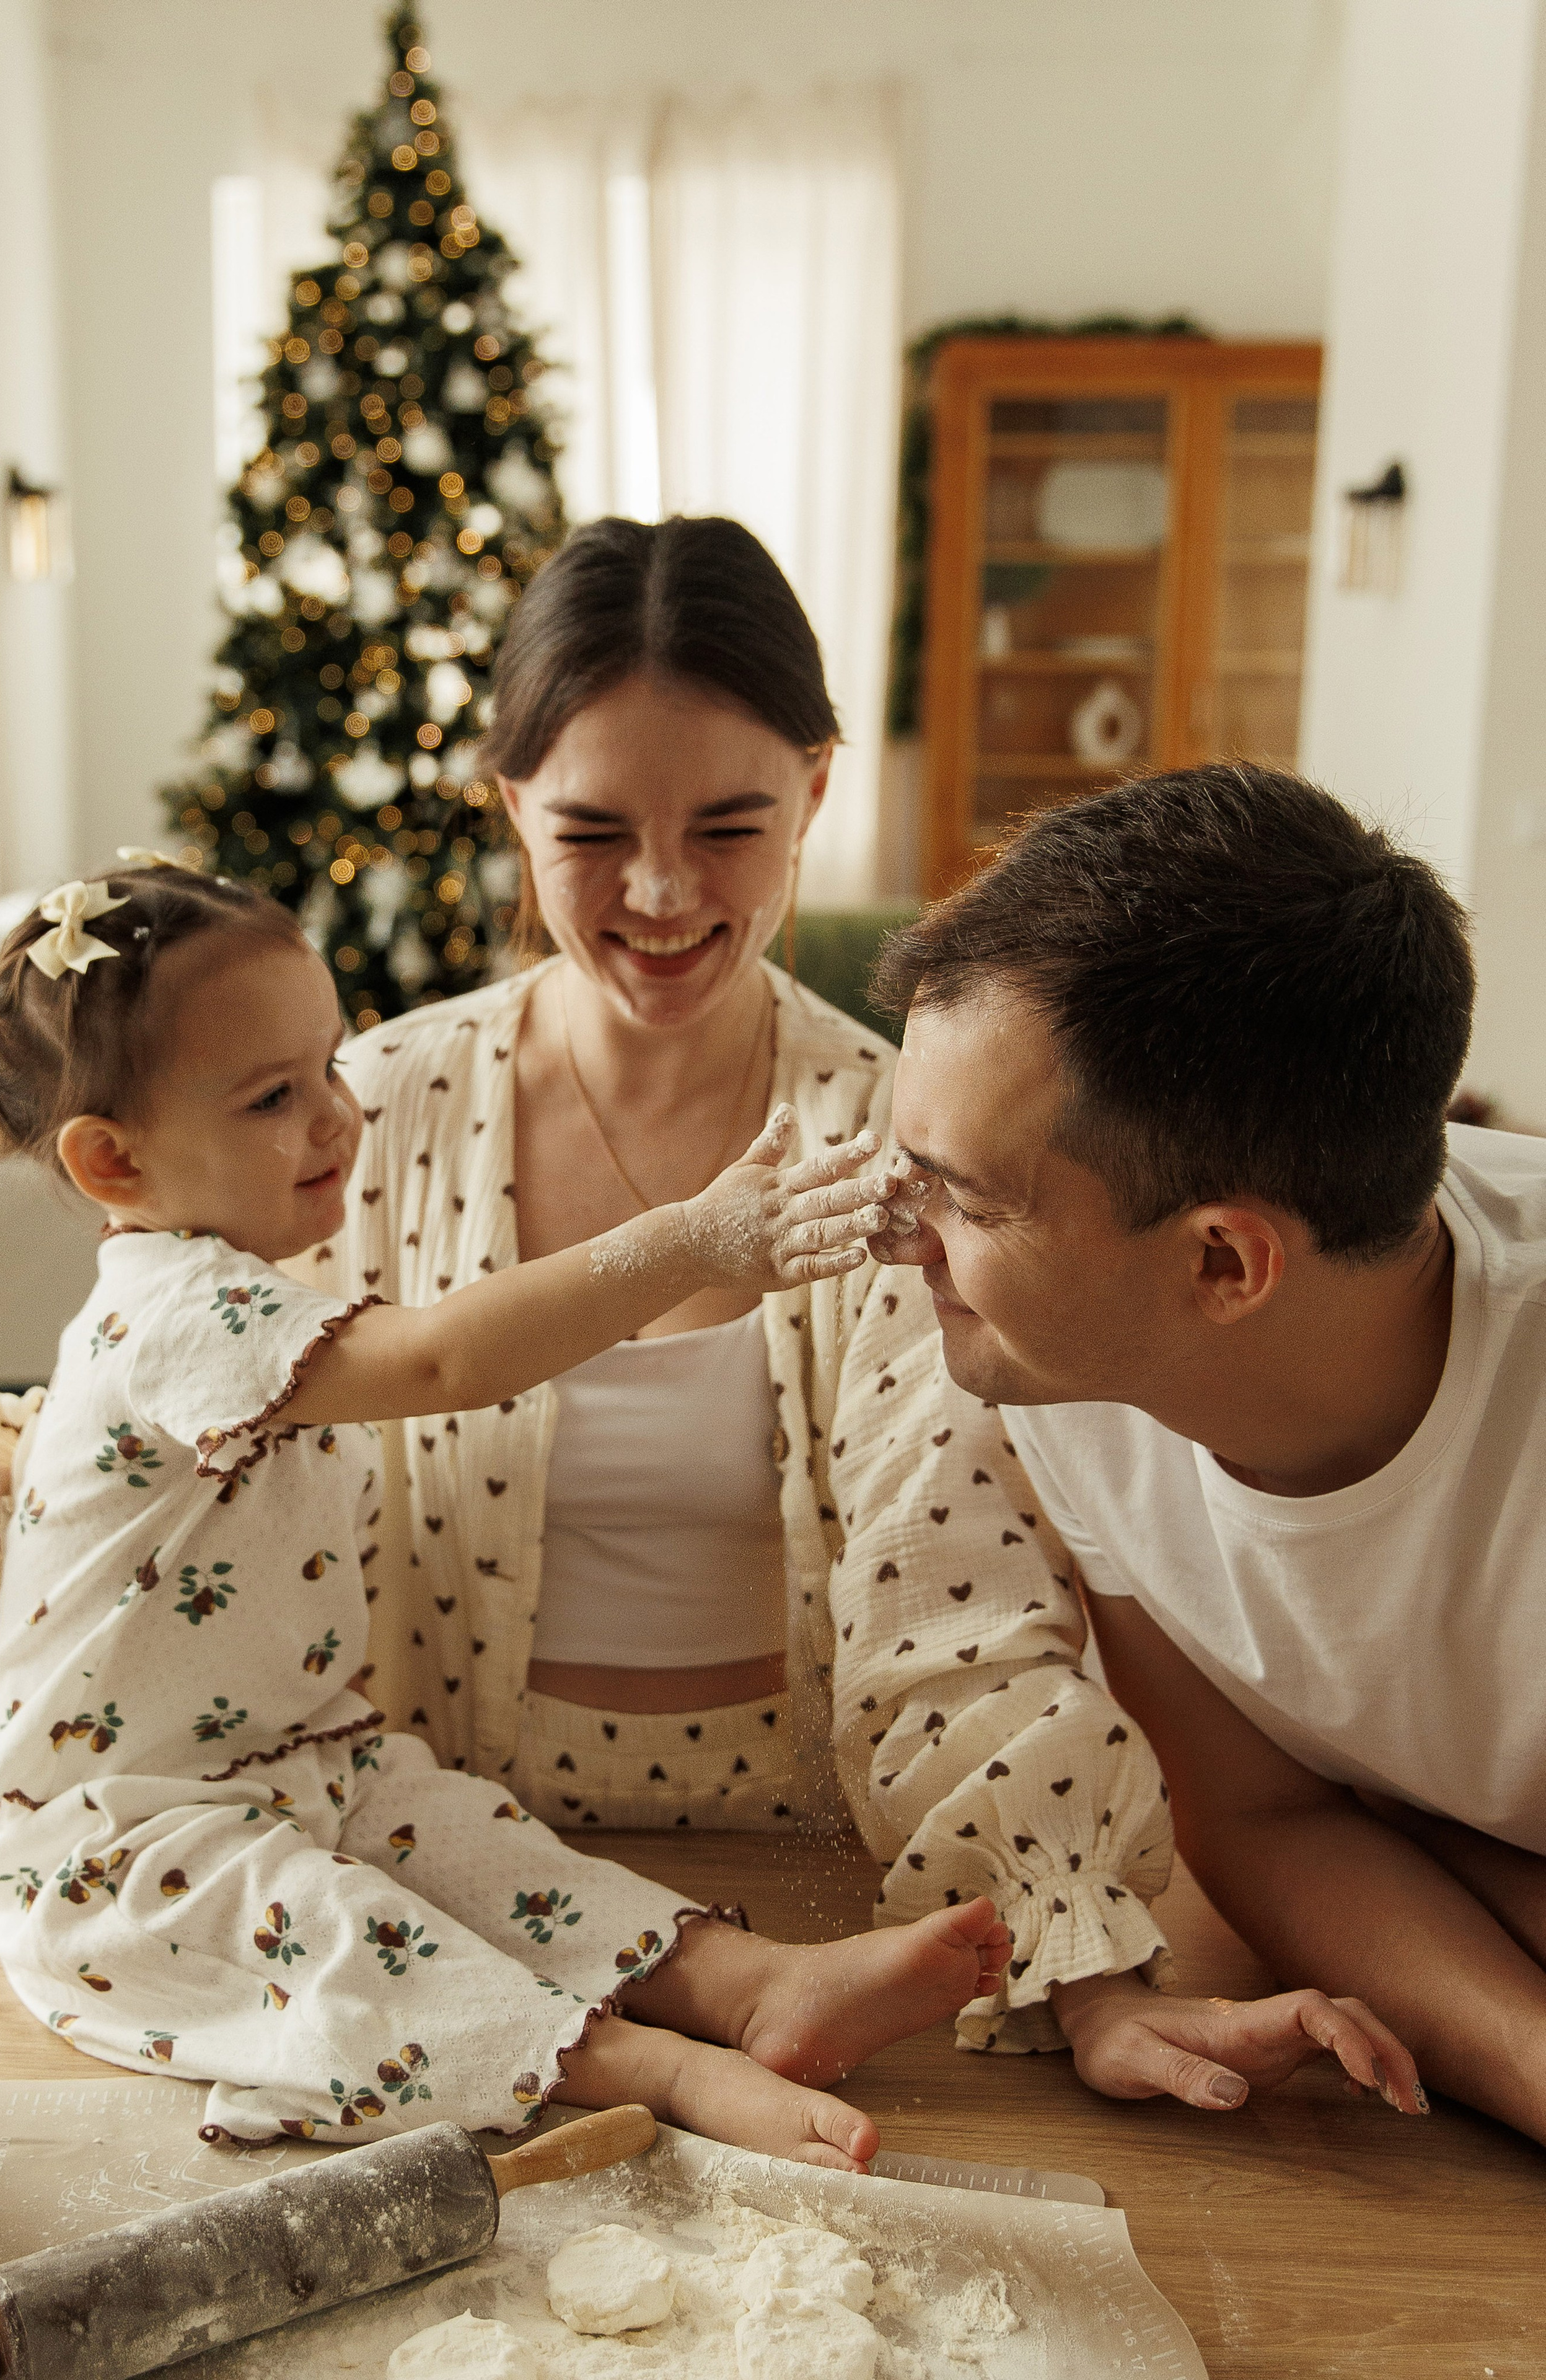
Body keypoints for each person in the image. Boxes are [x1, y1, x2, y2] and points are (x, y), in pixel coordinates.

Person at [292, 518, 1418, 2118]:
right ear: (508, 807)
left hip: (826, 1891)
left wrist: (1078, 1970)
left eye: (732, 825)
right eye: (593, 831)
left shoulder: (919, 1142)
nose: (664, 891)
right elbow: (217, 1426)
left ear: (819, 790)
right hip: (430, 1871)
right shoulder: (372, 1114)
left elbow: (954, 1573)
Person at [0, 855, 1016, 2164]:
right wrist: (683, 1242)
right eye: (273, 1097)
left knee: (485, 1852)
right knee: (353, 1952)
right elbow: (446, 1359)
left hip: (292, 1766)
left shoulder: (226, 1297)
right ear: (114, 1159)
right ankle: (656, 2071)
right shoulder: (180, 1306)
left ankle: (748, 1985)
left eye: (331, 1067)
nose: (339, 1119)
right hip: (114, 1837)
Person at [871, 758, 1546, 2131]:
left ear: (1226, 1264)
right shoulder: (1072, 1369)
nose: (897, 1239)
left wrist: (1431, 1855)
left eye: (965, 1202)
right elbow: (1259, 1817)